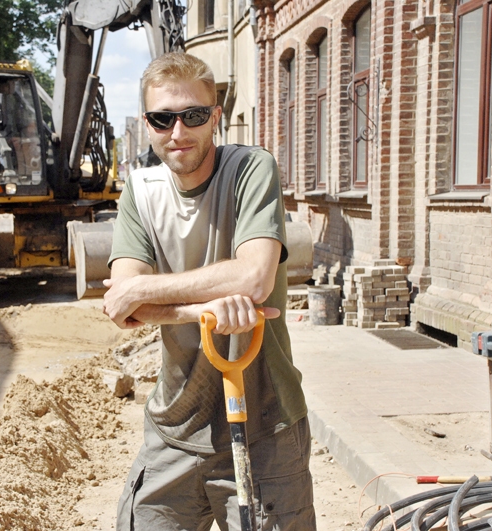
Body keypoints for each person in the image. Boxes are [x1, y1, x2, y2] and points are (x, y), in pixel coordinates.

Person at [102, 52, 316, 530]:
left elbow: (255, 278)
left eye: (193, 116)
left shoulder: (251, 170)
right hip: (175, 426)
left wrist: (146, 291)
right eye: (163, 119)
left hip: (265, 428)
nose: (178, 133)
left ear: (215, 117)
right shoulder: (140, 190)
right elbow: (124, 308)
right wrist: (208, 304)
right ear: (148, 123)